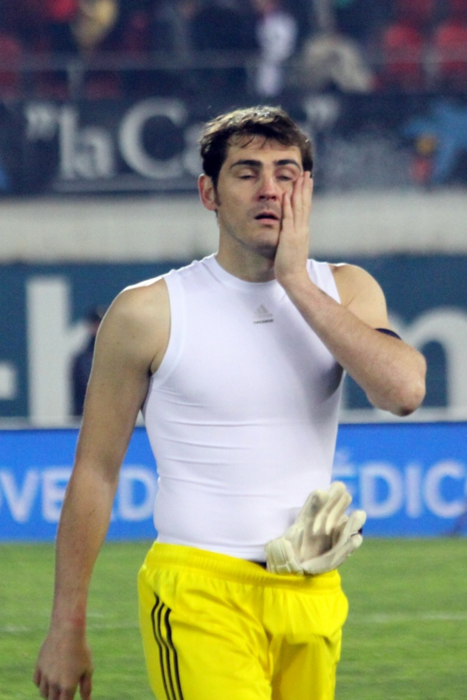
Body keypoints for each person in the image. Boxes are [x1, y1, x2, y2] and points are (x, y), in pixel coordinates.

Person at [33, 105, 426, 700]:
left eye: (286, 173)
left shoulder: (345, 288)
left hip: (312, 590)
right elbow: (95, 472)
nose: (270, 189)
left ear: (307, 190)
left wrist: (295, 281)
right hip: (198, 591)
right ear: (208, 194)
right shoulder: (148, 311)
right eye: (246, 173)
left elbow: (403, 392)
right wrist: (67, 627)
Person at [70, 306, 106, 417]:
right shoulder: (82, 359)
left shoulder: (118, 355)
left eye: (102, 323)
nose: (99, 328)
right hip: (87, 416)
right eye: (96, 324)